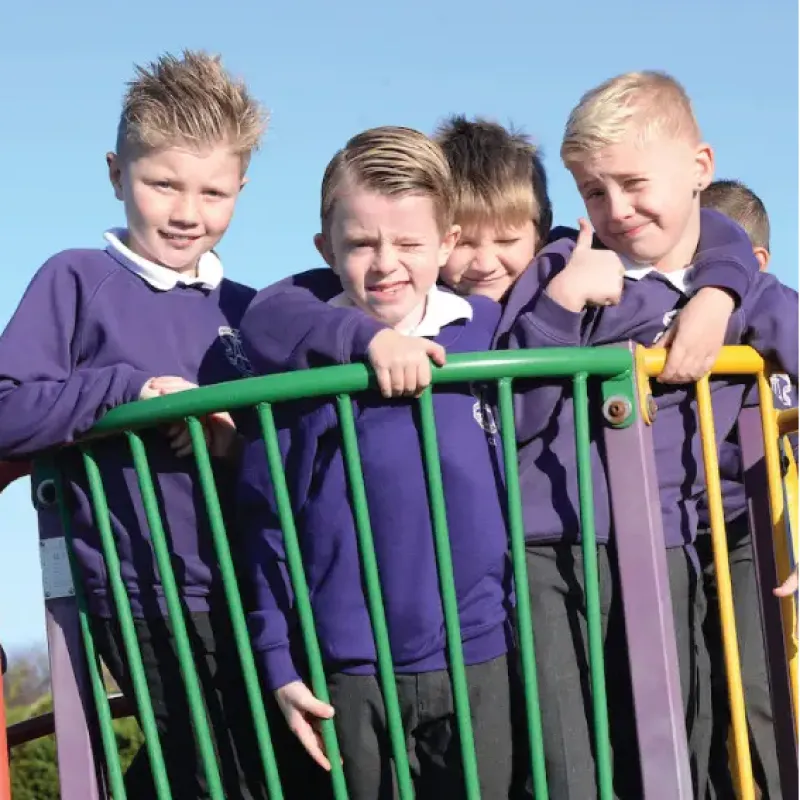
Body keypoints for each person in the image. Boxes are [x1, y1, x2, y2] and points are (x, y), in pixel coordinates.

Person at [237, 104, 776, 797]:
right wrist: (370, 342)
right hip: (400, 637)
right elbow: (270, 316)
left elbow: (706, 232)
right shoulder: (353, 325)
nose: (484, 262)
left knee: (664, 734)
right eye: (469, 242)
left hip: (536, 596)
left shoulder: (535, 287)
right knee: (560, 760)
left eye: (508, 237)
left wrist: (719, 290)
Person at [0, 50, 273, 799]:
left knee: (259, 760)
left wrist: (228, 434)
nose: (189, 212)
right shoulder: (77, 280)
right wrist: (130, 394)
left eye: (215, 192)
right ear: (116, 171)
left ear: (242, 189)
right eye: (162, 184)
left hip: (251, 582)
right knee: (213, 765)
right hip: (140, 583)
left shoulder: (250, 311)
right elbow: (7, 408)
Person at [239, 126, 516, 799]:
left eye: (410, 243)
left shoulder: (483, 329)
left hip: (481, 651)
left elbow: (568, 257)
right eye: (361, 243)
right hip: (350, 670)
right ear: (326, 249)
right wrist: (277, 660)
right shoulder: (304, 360)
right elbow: (264, 521)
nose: (386, 262)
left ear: (447, 244)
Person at [697, 178, 796, 799]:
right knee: (700, 693)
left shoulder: (771, 327)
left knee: (763, 692)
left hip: (754, 531)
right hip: (678, 529)